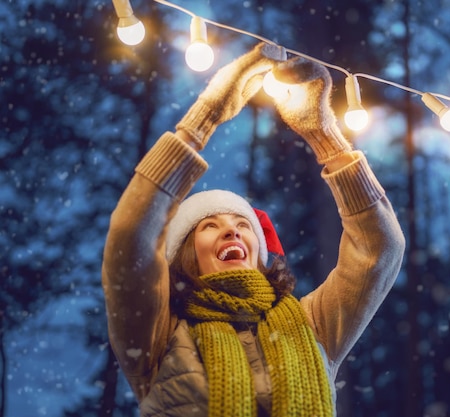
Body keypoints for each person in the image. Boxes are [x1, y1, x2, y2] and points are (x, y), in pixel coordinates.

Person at [101, 42, 405, 417]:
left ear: (259, 252)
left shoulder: (314, 323)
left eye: (242, 225)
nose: (231, 232)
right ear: (184, 253)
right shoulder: (159, 333)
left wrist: (324, 135)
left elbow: (380, 251)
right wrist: (205, 118)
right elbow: (131, 239)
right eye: (209, 226)